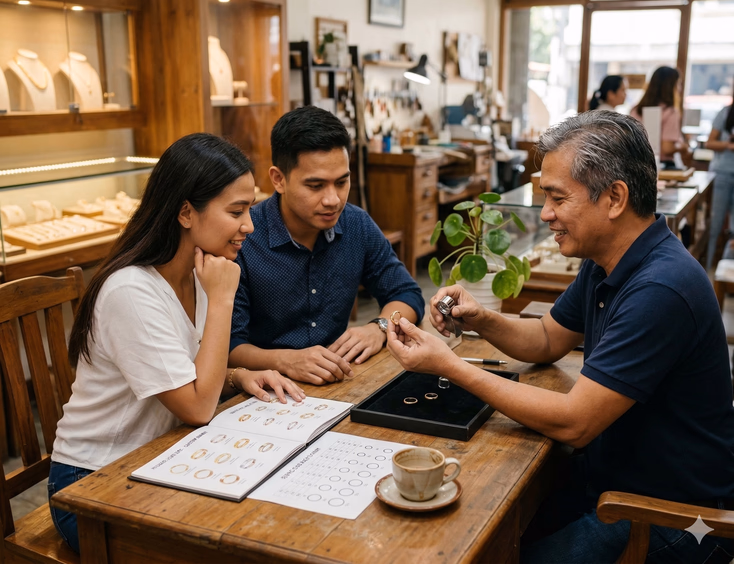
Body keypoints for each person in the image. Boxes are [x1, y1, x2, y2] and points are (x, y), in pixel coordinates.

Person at [386, 111, 734, 564]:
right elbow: (549, 337)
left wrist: (448, 365)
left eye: (557, 198)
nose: (546, 213)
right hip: (612, 480)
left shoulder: (661, 288)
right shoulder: (608, 259)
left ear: (614, 198)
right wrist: (482, 319)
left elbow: (575, 420)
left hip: (669, 516)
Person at [50, 133, 305, 553]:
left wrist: (238, 375)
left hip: (160, 458)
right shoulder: (131, 291)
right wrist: (223, 301)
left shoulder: (198, 271)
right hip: (90, 483)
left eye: (250, 208)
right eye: (236, 211)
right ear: (186, 212)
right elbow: (197, 407)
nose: (250, 225)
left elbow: (187, 375)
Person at [228, 106, 424, 385]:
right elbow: (230, 346)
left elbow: (407, 294)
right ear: (279, 179)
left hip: (339, 382)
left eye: (341, 182)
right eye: (316, 185)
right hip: (265, 391)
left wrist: (380, 327)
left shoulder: (356, 224)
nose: (333, 199)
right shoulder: (244, 238)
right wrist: (285, 360)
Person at [631, 66, 691, 168]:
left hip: (638, 165)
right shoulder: (670, 111)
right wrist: (683, 147)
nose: (680, 89)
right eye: (678, 84)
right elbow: (667, 148)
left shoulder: (636, 110)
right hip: (663, 165)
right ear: (671, 86)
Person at [705, 90, 734, 270]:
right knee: (715, 226)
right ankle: (707, 269)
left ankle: (728, 272)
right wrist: (729, 145)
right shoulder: (725, 113)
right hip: (722, 174)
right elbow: (710, 143)